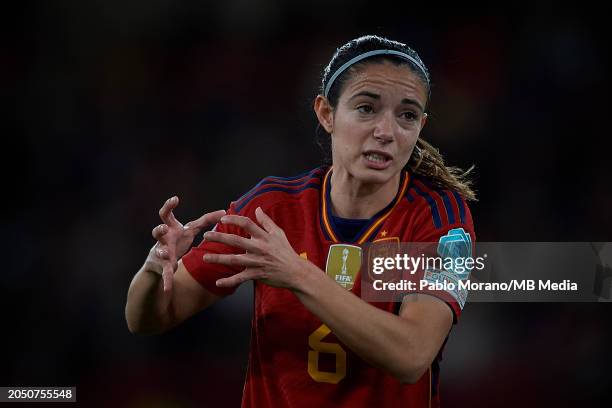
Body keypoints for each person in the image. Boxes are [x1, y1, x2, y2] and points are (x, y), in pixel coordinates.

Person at [125, 34, 476, 408]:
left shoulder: (440, 220)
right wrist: (152, 271)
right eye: (366, 108)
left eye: (406, 115)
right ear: (326, 113)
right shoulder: (270, 209)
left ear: (420, 126)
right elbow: (147, 319)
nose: (386, 132)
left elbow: (411, 356)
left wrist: (296, 273)